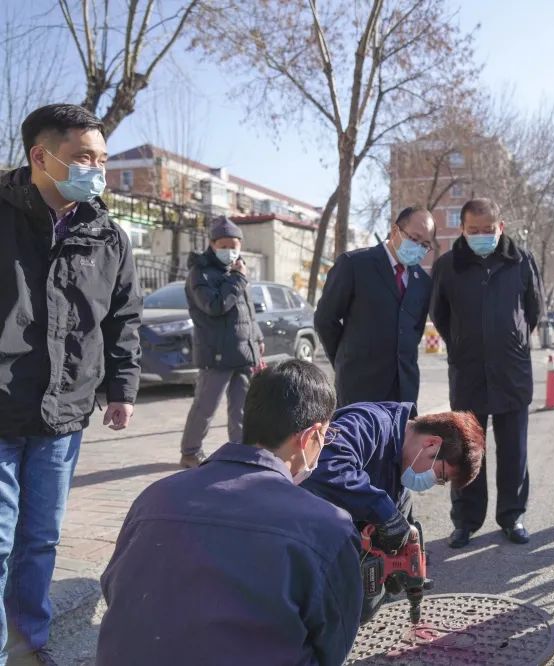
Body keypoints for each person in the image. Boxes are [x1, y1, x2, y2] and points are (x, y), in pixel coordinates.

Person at [98, 360, 362, 666]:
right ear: (310, 437)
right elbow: (333, 644)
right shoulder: (327, 525)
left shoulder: (154, 497)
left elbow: (115, 590)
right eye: (326, 438)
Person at [0, 103, 141, 665]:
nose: (96, 170)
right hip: (2, 409)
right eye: (84, 157)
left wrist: (123, 390)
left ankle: (29, 641)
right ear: (41, 156)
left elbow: (123, 318)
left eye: (103, 159)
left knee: (40, 539)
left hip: (64, 415)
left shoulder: (107, 236)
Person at [301, 402, 485, 618]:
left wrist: (396, 568)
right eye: (441, 477)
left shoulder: (400, 487)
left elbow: (400, 538)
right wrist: (383, 512)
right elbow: (324, 466)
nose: (435, 483)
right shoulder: (369, 424)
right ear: (432, 444)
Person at [430, 198, 543, 548]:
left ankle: (512, 516)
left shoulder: (520, 261)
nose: (481, 236)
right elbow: (440, 315)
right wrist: (463, 344)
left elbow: (534, 309)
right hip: (468, 373)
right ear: (462, 230)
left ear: (500, 227)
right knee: (467, 450)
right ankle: (465, 520)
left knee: (514, 451)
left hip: (511, 371)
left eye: (487, 230)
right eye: (473, 230)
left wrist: (512, 342)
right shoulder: (449, 265)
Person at [316, 206, 435, 407]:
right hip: (359, 389)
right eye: (414, 239)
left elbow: (414, 330)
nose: (419, 248)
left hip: (404, 392)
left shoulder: (422, 281)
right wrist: (345, 360)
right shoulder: (354, 265)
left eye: (425, 244)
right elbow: (325, 319)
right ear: (396, 230)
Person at [178, 216, 264, 468]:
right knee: (205, 407)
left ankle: (240, 452)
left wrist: (256, 338)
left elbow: (247, 311)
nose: (230, 251)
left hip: (243, 352)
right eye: (224, 246)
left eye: (234, 245)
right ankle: (190, 452)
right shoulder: (201, 272)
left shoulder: (238, 270)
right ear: (212, 244)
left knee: (242, 408)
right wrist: (237, 279)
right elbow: (215, 306)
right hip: (216, 353)